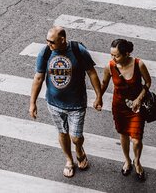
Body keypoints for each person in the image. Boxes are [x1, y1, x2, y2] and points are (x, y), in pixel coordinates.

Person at [29, 26, 103, 178]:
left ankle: (80, 150)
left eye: (52, 42)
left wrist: (99, 95)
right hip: (54, 103)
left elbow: (92, 73)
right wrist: (32, 103)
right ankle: (69, 160)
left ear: (62, 39)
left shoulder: (78, 50)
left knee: (76, 137)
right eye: (47, 41)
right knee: (62, 133)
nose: (49, 45)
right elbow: (38, 78)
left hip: (77, 103)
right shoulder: (45, 52)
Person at [100, 39, 151, 181]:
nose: (113, 58)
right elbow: (104, 83)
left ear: (127, 54)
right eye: (111, 55)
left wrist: (139, 99)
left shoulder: (138, 64)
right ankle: (127, 160)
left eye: (116, 56)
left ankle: (137, 161)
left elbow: (148, 82)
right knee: (123, 134)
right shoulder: (110, 66)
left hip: (136, 107)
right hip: (119, 106)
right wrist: (99, 98)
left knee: (136, 139)